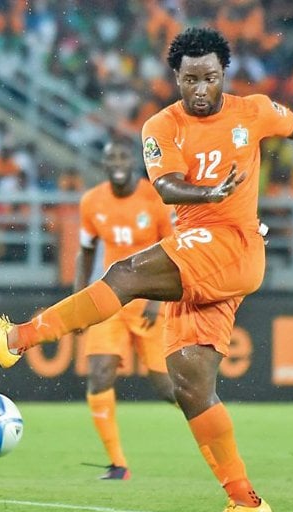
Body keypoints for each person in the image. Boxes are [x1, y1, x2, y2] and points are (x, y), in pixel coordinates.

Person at [0, 27, 293, 512]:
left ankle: (17, 340)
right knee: (190, 385)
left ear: (222, 75)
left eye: (210, 77)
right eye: (191, 79)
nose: (201, 89)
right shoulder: (160, 126)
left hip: (232, 246)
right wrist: (209, 191)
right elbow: (166, 187)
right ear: (177, 78)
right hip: (201, 251)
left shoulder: (252, 111)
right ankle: (244, 501)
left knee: (124, 275)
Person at [75, 140, 176, 481]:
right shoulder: (91, 202)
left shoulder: (155, 198)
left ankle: (214, 428)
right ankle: (118, 465)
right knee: (99, 374)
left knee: (169, 389)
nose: (117, 162)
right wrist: (77, 302)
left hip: (149, 301)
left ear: (133, 161)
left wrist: (156, 299)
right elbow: (86, 251)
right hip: (111, 300)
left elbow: (174, 250)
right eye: (110, 158)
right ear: (103, 165)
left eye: (122, 156)